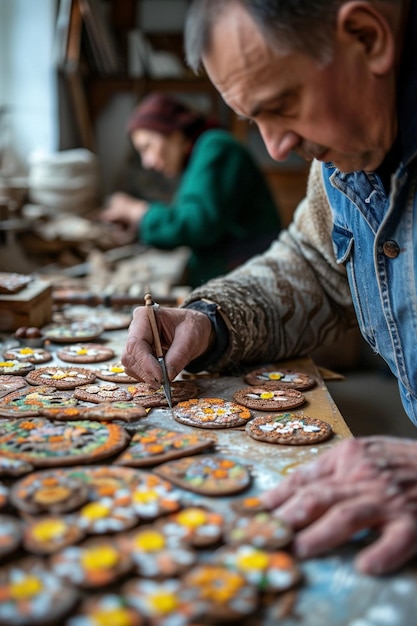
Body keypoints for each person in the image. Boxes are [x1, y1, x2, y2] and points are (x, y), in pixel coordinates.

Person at [121, 0, 417, 576]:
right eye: (253, 118)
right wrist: (209, 318)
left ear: (365, 37)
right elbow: (311, 262)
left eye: (281, 106)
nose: (275, 147)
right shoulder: (346, 153)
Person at [100, 92, 282, 287]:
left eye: (147, 147)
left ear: (175, 134)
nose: (147, 163)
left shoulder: (217, 146)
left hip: (248, 275)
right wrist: (138, 227)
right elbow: (186, 217)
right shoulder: (198, 157)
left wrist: (137, 211)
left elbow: (198, 225)